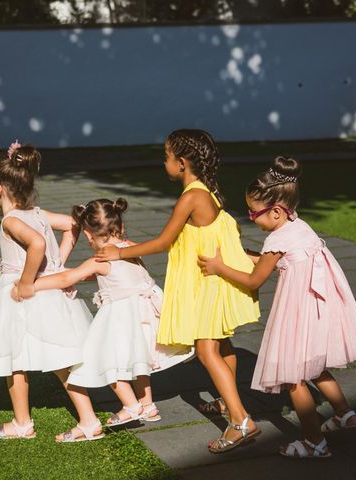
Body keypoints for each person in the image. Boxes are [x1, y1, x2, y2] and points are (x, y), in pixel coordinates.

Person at [96, 129, 260, 453]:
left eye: (166, 157)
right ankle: (228, 404)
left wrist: (118, 252)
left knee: (205, 350)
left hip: (206, 283)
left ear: (182, 163)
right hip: (208, 280)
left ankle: (241, 421)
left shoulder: (192, 196)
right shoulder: (207, 191)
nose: (165, 163)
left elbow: (163, 241)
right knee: (223, 346)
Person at [198, 156, 356, 458]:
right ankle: (345, 414)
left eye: (254, 214)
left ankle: (314, 443)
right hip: (319, 307)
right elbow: (270, 259)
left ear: (276, 211)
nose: (252, 218)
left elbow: (255, 279)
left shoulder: (277, 238)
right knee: (317, 368)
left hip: (298, 312)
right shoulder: (298, 226)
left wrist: (219, 267)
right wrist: (238, 254)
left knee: (294, 378)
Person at [0, 141, 101, 441]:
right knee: (59, 359)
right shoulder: (37, 213)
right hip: (48, 293)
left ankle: (24, 423)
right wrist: (58, 261)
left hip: (25, 294)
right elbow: (73, 225)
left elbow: (36, 244)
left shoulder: (11, 220)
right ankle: (85, 420)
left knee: (16, 358)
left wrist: (25, 282)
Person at [16, 198, 192, 433]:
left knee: (103, 358)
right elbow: (99, 275)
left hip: (120, 318)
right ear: (120, 227)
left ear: (89, 235)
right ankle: (147, 405)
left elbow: (67, 279)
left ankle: (130, 406)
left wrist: (32, 283)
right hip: (144, 314)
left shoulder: (98, 259)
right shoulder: (130, 247)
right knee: (138, 359)